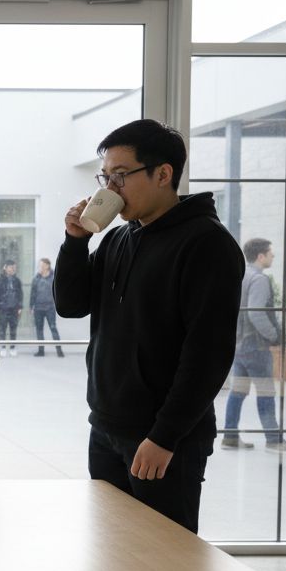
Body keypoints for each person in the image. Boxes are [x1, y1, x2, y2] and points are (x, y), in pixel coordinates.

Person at [54, 119, 244, 533]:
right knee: (112, 555)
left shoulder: (207, 244)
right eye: (106, 176)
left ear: (163, 174)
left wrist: (165, 437)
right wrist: (74, 240)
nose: (110, 189)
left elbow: (208, 354)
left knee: (164, 567)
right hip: (106, 427)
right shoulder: (118, 239)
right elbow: (70, 306)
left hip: (163, 440)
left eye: (121, 176)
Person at [223, 238, 286, 453]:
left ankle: (229, 437)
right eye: (270, 253)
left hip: (238, 345)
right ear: (260, 256)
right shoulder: (259, 279)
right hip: (255, 347)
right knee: (266, 392)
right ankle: (273, 440)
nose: (272, 257)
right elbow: (257, 312)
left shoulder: (241, 275)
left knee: (237, 392)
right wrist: (274, 337)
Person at [30, 257, 63, 357]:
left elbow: (58, 293)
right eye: (39, 265)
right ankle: (41, 351)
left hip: (50, 308)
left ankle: (59, 351)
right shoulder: (36, 278)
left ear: (47, 266)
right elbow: (33, 294)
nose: (40, 267)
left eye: (42, 265)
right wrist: (31, 306)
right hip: (38, 308)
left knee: (53, 328)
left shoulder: (54, 277)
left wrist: (58, 305)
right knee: (39, 330)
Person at [0, 260, 22, 356]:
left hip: (14, 309)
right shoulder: (0, 280)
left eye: (14, 267)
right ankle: (3, 347)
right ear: (6, 268)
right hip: (3, 309)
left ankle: (13, 347)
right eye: (11, 267)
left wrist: (20, 306)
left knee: (13, 329)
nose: (13, 269)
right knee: (2, 329)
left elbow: (20, 294)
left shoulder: (17, 281)